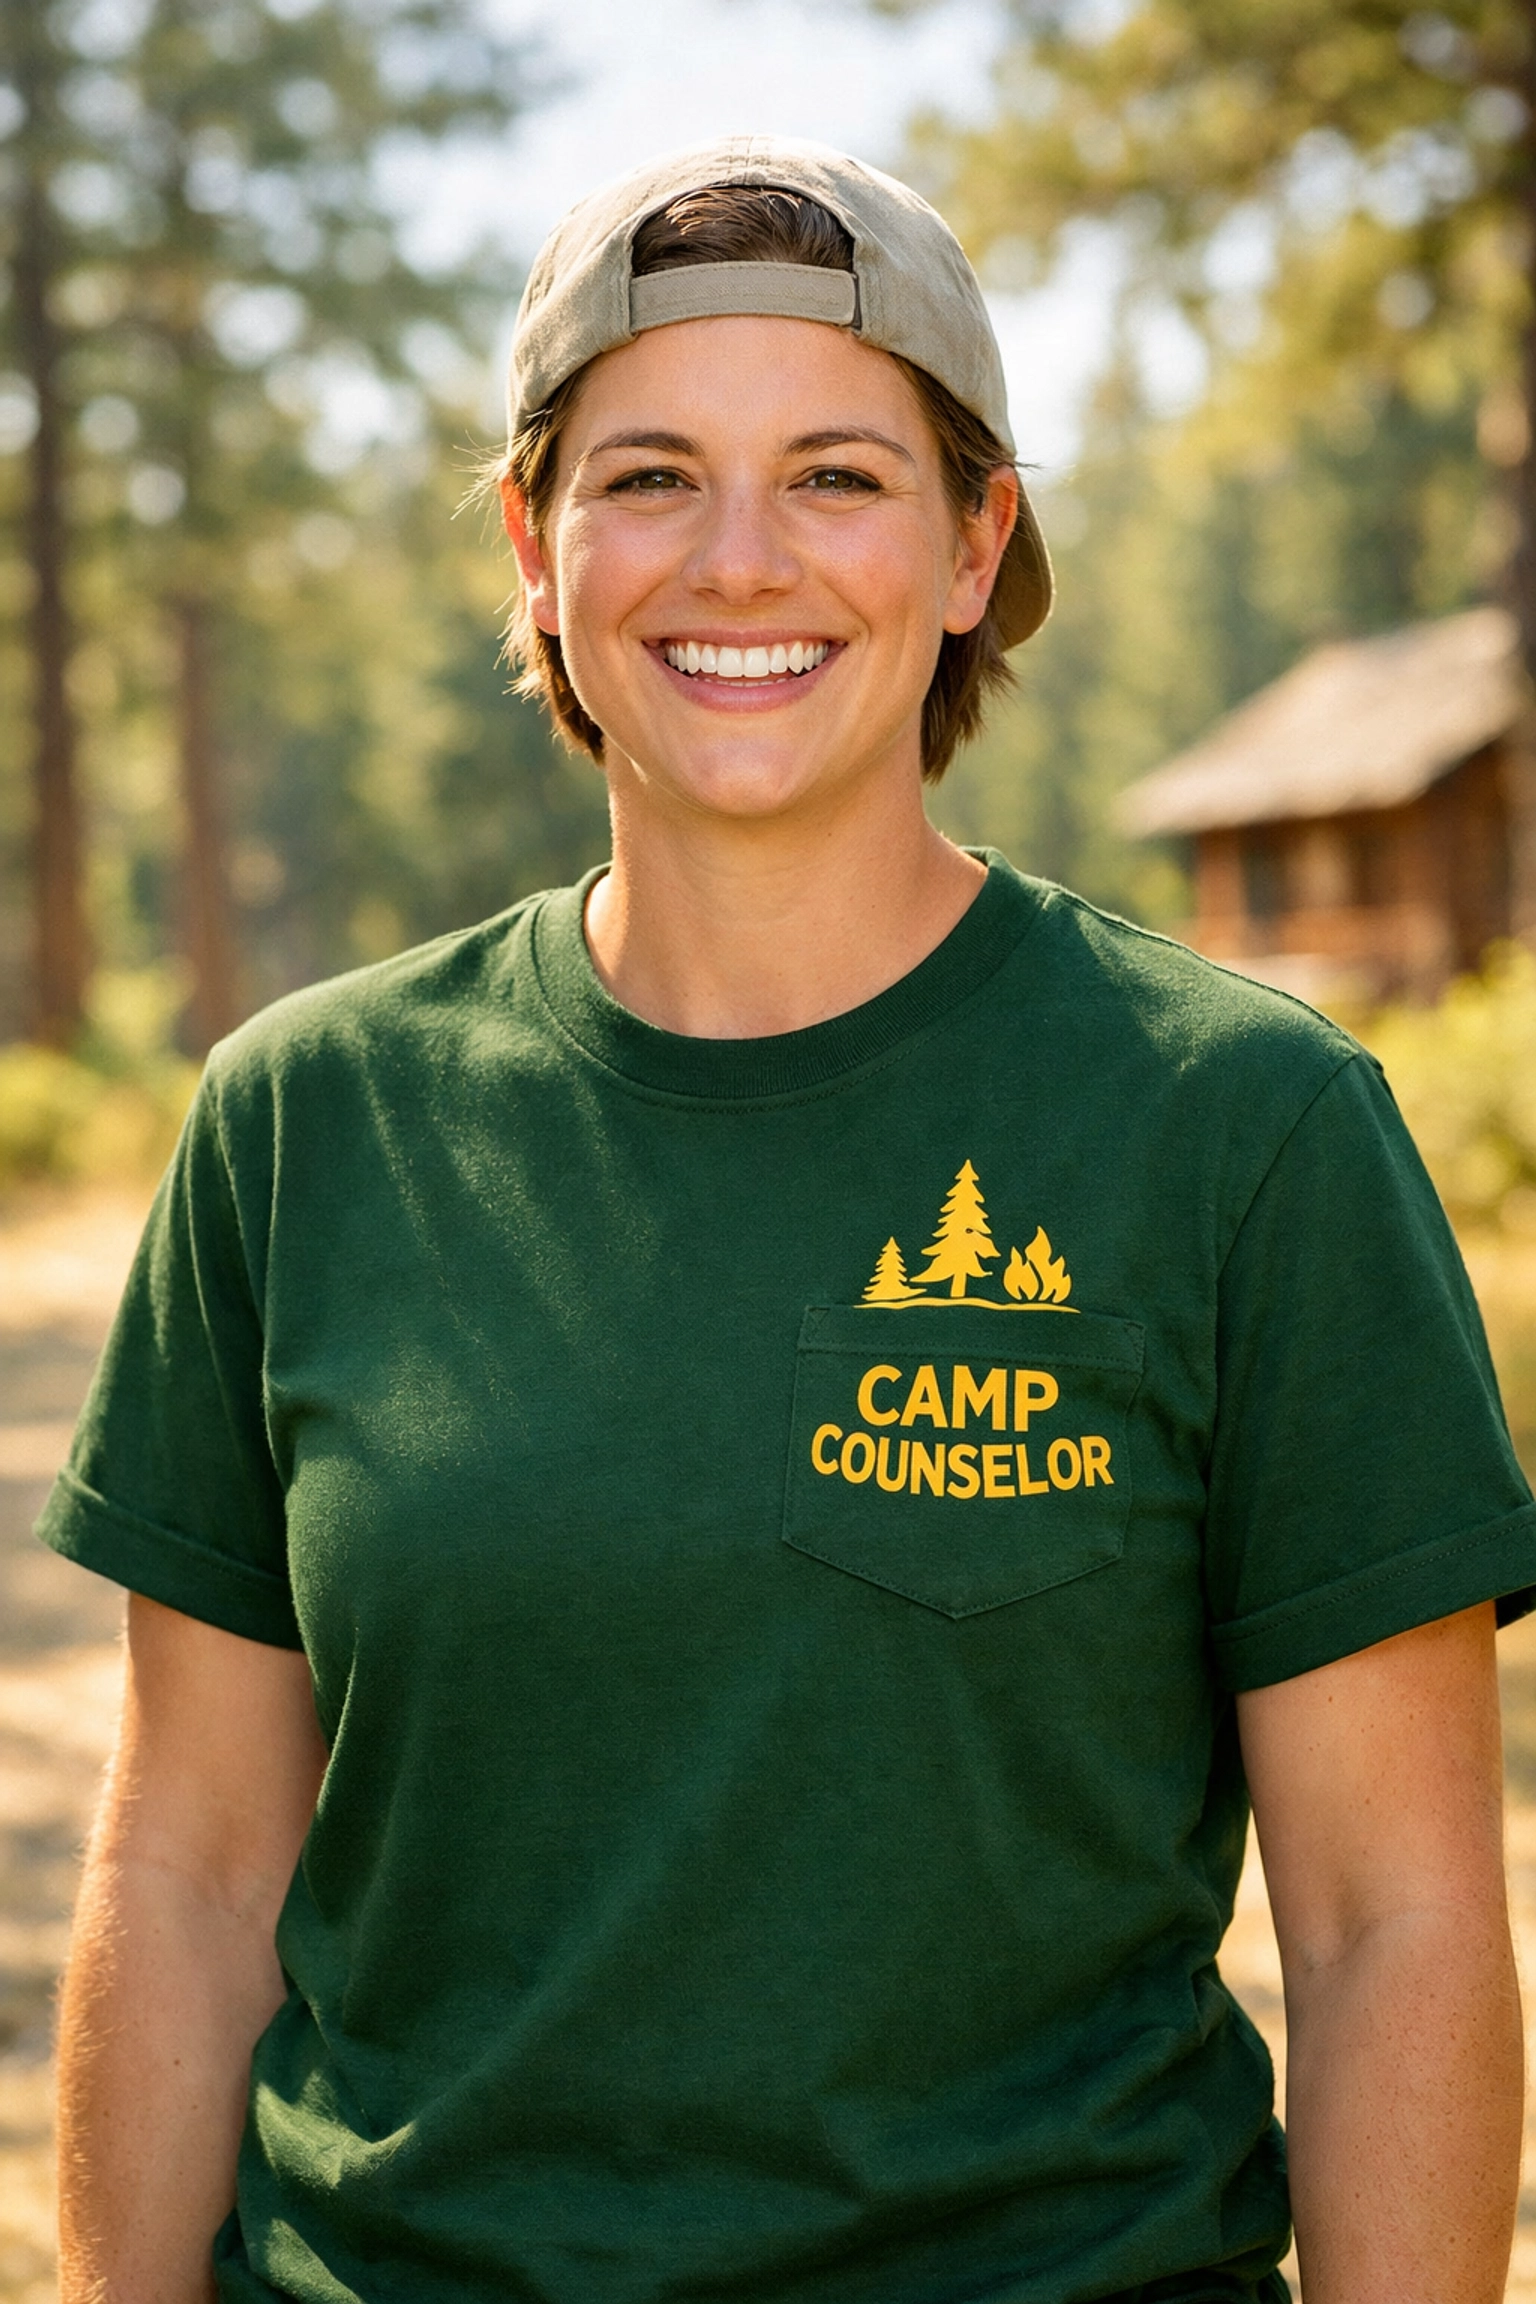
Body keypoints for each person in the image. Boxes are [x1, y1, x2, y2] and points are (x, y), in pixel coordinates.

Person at [41, 136, 1535, 2304]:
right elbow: (184, 1876)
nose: (738, 561)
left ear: (972, 545)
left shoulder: (1245, 1127)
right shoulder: (307, 1120)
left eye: (836, 475)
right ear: (536, 549)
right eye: (648, 477)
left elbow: (1394, 1923)